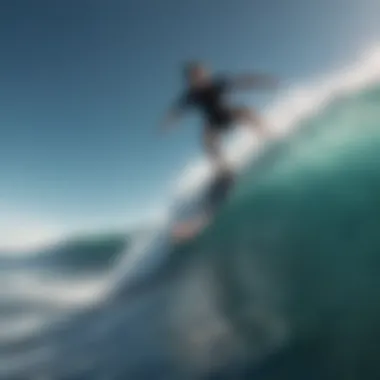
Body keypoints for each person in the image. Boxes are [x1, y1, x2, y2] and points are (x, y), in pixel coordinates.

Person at [160, 61, 278, 172]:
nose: (198, 79)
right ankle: (223, 169)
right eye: (193, 77)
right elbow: (177, 110)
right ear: (190, 81)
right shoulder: (191, 95)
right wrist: (168, 123)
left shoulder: (217, 84)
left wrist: (264, 81)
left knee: (246, 111)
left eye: (200, 74)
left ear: (205, 73)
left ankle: (266, 135)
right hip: (213, 122)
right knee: (206, 140)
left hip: (227, 113)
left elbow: (242, 82)